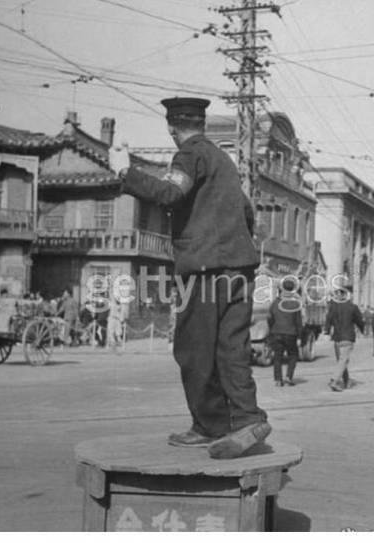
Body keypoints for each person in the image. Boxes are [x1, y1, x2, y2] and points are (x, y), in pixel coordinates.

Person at [109, 96, 270, 459]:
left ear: (172, 127)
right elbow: (246, 211)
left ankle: (210, 424)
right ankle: (248, 418)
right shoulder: (224, 161)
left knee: (193, 350)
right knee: (231, 348)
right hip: (239, 269)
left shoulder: (189, 155)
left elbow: (169, 193)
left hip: (205, 271)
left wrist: (124, 171)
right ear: (202, 123)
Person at [324, 285, 365, 392]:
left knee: (341, 361)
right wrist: (362, 330)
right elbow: (360, 321)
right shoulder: (352, 307)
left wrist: (327, 331)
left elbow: (328, 320)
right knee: (343, 361)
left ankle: (346, 381)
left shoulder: (333, 307)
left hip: (337, 338)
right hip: (347, 337)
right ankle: (335, 380)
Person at [267, 278, 303, 387]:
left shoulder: (275, 303)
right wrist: (300, 337)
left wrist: (272, 329)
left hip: (276, 333)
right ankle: (288, 377)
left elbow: (269, 318)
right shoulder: (295, 304)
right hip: (291, 334)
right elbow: (298, 322)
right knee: (293, 355)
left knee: (277, 357)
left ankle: (278, 380)